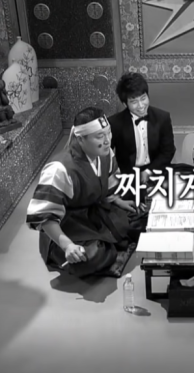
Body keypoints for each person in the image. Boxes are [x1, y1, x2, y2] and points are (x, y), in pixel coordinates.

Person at [26, 107, 147, 278]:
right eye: (100, 136)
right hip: (69, 225)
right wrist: (67, 245)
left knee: (141, 217)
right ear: (81, 138)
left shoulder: (105, 152)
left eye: (109, 133)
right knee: (91, 256)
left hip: (96, 212)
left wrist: (118, 201)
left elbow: (107, 181)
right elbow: (44, 216)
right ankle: (97, 250)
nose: (107, 140)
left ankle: (110, 247)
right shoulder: (59, 169)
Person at [109, 72, 176, 184]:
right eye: (134, 102)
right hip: (127, 177)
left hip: (156, 171)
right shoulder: (114, 123)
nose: (141, 105)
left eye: (143, 98)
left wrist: (149, 171)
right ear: (125, 104)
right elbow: (106, 155)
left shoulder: (163, 118)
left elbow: (168, 151)